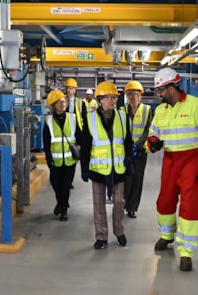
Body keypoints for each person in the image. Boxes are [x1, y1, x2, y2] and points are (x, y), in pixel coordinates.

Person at [147, 68, 198, 271]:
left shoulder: (196, 105)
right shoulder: (160, 110)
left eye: (161, 90)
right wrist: (153, 143)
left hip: (191, 161)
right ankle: (166, 235)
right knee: (165, 200)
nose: (158, 94)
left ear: (171, 88)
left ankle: (186, 253)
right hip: (169, 161)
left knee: (189, 205)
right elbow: (154, 133)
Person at [80, 81, 133, 249]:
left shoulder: (123, 117)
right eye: (107, 98)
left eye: (114, 98)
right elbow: (86, 146)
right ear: (100, 100)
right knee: (99, 204)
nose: (111, 101)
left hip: (118, 168)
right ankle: (101, 236)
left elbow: (128, 141)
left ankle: (119, 231)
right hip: (98, 169)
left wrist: (129, 157)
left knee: (119, 202)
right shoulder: (90, 119)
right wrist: (84, 168)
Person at [43, 89, 81, 221]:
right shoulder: (48, 121)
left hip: (70, 160)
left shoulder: (73, 118)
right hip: (56, 160)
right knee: (56, 184)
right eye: (59, 102)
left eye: (63, 101)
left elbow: (79, 137)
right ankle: (60, 203)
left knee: (66, 185)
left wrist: (79, 154)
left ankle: (63, 208)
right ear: (53, 105)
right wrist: (48, 158)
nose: (62, 103)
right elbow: (46, 142)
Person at [121, 80, 153, 219]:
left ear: (140, 95)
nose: (132, 97)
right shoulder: (122, 111)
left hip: (140, 151)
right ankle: (123, 204)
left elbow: (148, 130)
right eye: (129, 94)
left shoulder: (147, 110)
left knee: (138, 179)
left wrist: (138, 145)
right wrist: (127, 147)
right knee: (126, 179)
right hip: (125, 150)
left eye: (134, 94)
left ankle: (132, 208)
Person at [64, 77, 83, 189]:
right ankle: (64, 180)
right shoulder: (62, 101)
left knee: (73, 158)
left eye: (70, 88)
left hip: (76, 134)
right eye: (67, 88)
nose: (68, 90)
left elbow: (84, 118)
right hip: (65, 134)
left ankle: (69, 181)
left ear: (75, 90)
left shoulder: (80, 103)